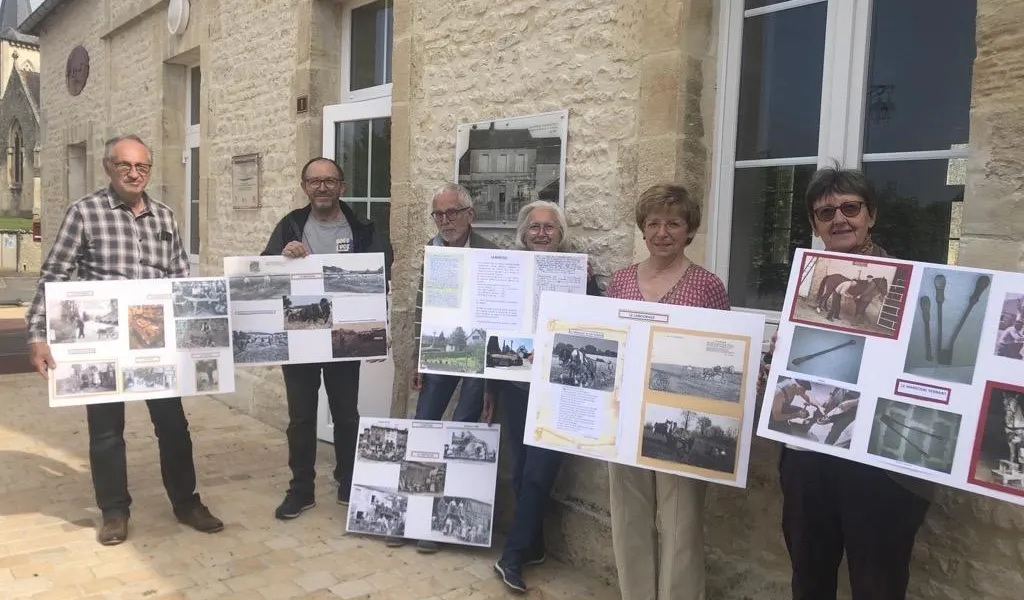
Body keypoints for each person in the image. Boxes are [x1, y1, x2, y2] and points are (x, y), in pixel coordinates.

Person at [25, 134, 224, 546]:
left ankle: (186, 502)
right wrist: (38, 334)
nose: (135, 174)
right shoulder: (84, 213)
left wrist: (197, 336)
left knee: (173, 426)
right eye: (125, 166)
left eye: (143, 167)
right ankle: (114, 511)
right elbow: (55, 276)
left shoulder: (166, 217)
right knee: (106, 432)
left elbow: (179, 279)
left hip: (156, 340)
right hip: (104, 343)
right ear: (108, 168)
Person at [765, 166, 933, 600]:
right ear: (815, 225)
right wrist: (775, 358)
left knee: (878, 582)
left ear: (870, 215)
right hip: (809, 457)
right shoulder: (800, 280)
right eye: (825, 212)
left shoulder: (911, 284)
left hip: (880, 468)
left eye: (850, 208)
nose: (839, 219)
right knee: (809, 575)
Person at [605, 183, 729, 600]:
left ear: (689, 230)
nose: (662, 232)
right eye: (653, 222)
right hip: (624, 416)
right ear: (642, 228)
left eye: (673, 223)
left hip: (683, 420)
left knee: (681, 523)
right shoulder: (620, 280)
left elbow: (720, 355)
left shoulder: (707, 285)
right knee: (628, 517)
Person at [262, 157, 393, 520]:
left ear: (342, 187)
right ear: (304, 187)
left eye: (330, 181)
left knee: (346, 415)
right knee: (300, 418)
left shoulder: (362, 227)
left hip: (344, 338)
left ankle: (349, 481)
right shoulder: (290, 224)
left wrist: (375, 330)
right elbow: (264, 269)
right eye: (315, 181)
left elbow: (381, 271)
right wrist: (281, 255)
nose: (322, 187)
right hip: (300, 335)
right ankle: (300, 489)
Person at [485, 200, 603, 594]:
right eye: (533, 227)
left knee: (538, 472)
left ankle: (513, 556)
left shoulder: (580, 274)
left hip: (559, 391)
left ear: (560, 234)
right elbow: (493, 326)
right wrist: (490, 389)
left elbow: (596, 327)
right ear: (523, 233)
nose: (540, 233)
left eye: (549, 227)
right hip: (518, 388)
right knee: (520, 471)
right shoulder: (510, 271)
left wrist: (587, 284)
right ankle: (534, 545)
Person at [398, 183, 497, 552]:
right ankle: (409, 514)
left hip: (476, 357)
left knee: (461, 435)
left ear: (470, 214)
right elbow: (423, 310)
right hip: (440, 353)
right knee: (425, 428)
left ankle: (438, 524)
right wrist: (417, 360)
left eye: (452, 213)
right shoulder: (433, 250)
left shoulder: (493, 253)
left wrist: (491, 380)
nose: (444, 221)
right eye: (438, 214)